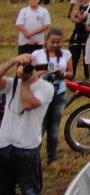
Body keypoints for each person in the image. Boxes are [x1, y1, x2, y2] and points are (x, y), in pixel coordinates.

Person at [0, 53, 55, 195]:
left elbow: (27, 104)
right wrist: (13, 60)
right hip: (4, 145)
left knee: (30, 193)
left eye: (29, 66)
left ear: (38, 68)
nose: (25, 69)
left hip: (26, 148)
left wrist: (25, 82)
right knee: (4, 192)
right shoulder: (12, 84)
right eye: (22, 66)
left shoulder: (46, 87)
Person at [30, 28, 73, 165]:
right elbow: (29, 74)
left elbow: (71, 74)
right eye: (52, 42)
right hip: (40, 95)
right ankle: (34, 157)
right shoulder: (37, 54)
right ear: (46, 41)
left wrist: (62, 74)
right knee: (39, 126)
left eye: (58, 42)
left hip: (59, 94)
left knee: (54, 126)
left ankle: (52, 156)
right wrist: (42, 71)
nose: (55, 45)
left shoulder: (66, 54)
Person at [69, 0, 90, 79]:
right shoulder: (80, 6)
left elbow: (82, 18)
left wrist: (78, 10)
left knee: (86, 56)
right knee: (73, 56)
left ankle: (87, 76)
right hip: (76, 33)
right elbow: (72, 18)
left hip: (86, 35)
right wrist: (79, 18)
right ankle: (71, 75)